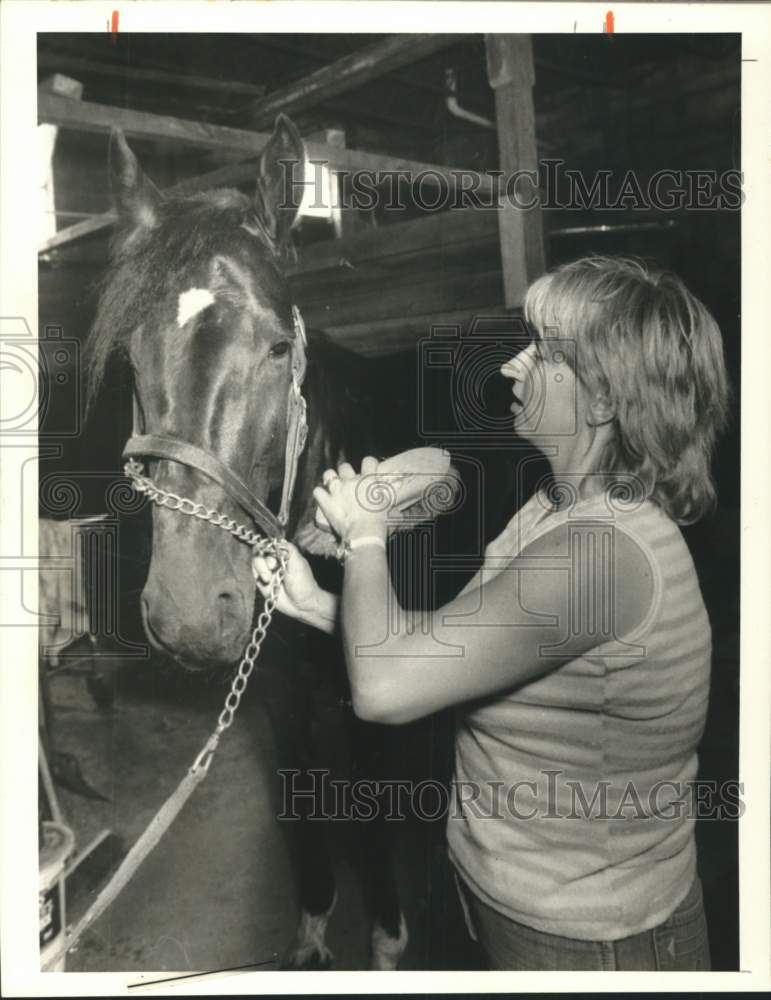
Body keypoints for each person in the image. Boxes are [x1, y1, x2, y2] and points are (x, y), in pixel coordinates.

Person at [254, 256, 730, 971]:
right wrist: (316, 604)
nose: (512, 365)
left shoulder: (600, 555)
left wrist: (364, 535)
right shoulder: (554, 510)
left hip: (594, 939)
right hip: (523, 905)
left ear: (602, 397)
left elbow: (383, 690)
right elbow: (445, 657)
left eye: (541, 353)